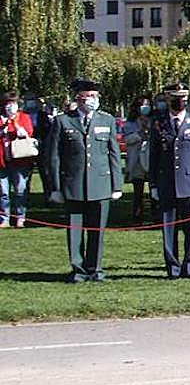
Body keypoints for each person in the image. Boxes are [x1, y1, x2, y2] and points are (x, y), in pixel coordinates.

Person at [45, 78, 123, 283]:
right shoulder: (62, 121)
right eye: (89, 97)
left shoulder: (107, 120)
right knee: (75, 231)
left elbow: (113, 154)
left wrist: (117, 184)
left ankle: (95, 269)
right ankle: (78, 269)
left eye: (96, 97)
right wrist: (55, 187)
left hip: (100, 184)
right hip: (73, 184)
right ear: (79, 98)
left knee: (97, 231)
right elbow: (53, 157)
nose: (93, 101)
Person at [149, 83, 190, 279]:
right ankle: (173, 268)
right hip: (167, 183)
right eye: (176, 98)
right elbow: (154, 155)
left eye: (183, 99)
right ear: (168, 100)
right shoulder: (159, 122)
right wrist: (153, 184)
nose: (180, 102)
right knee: (169, 229)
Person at [0, 91, 37, 228]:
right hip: (2, 161)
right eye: (8, 104)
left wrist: (15, 123)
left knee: (20, 190)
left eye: (13, 103)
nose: (10, 106)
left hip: (20, 161)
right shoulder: (0, 119)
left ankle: (20, 217)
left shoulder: (24, 117)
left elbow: (28, 133)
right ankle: (4, 218)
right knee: (3, 192)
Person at [122, 95, 154, 222]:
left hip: (151, 158)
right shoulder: (130, 123)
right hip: (136, 160)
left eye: (148, 104)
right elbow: (127, 139)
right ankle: (137, 216)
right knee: (138, 192)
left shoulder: (154, 120)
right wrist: (140, 133)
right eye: (142, 105)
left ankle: (156, 215)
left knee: (154, 190)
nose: (145, 108)